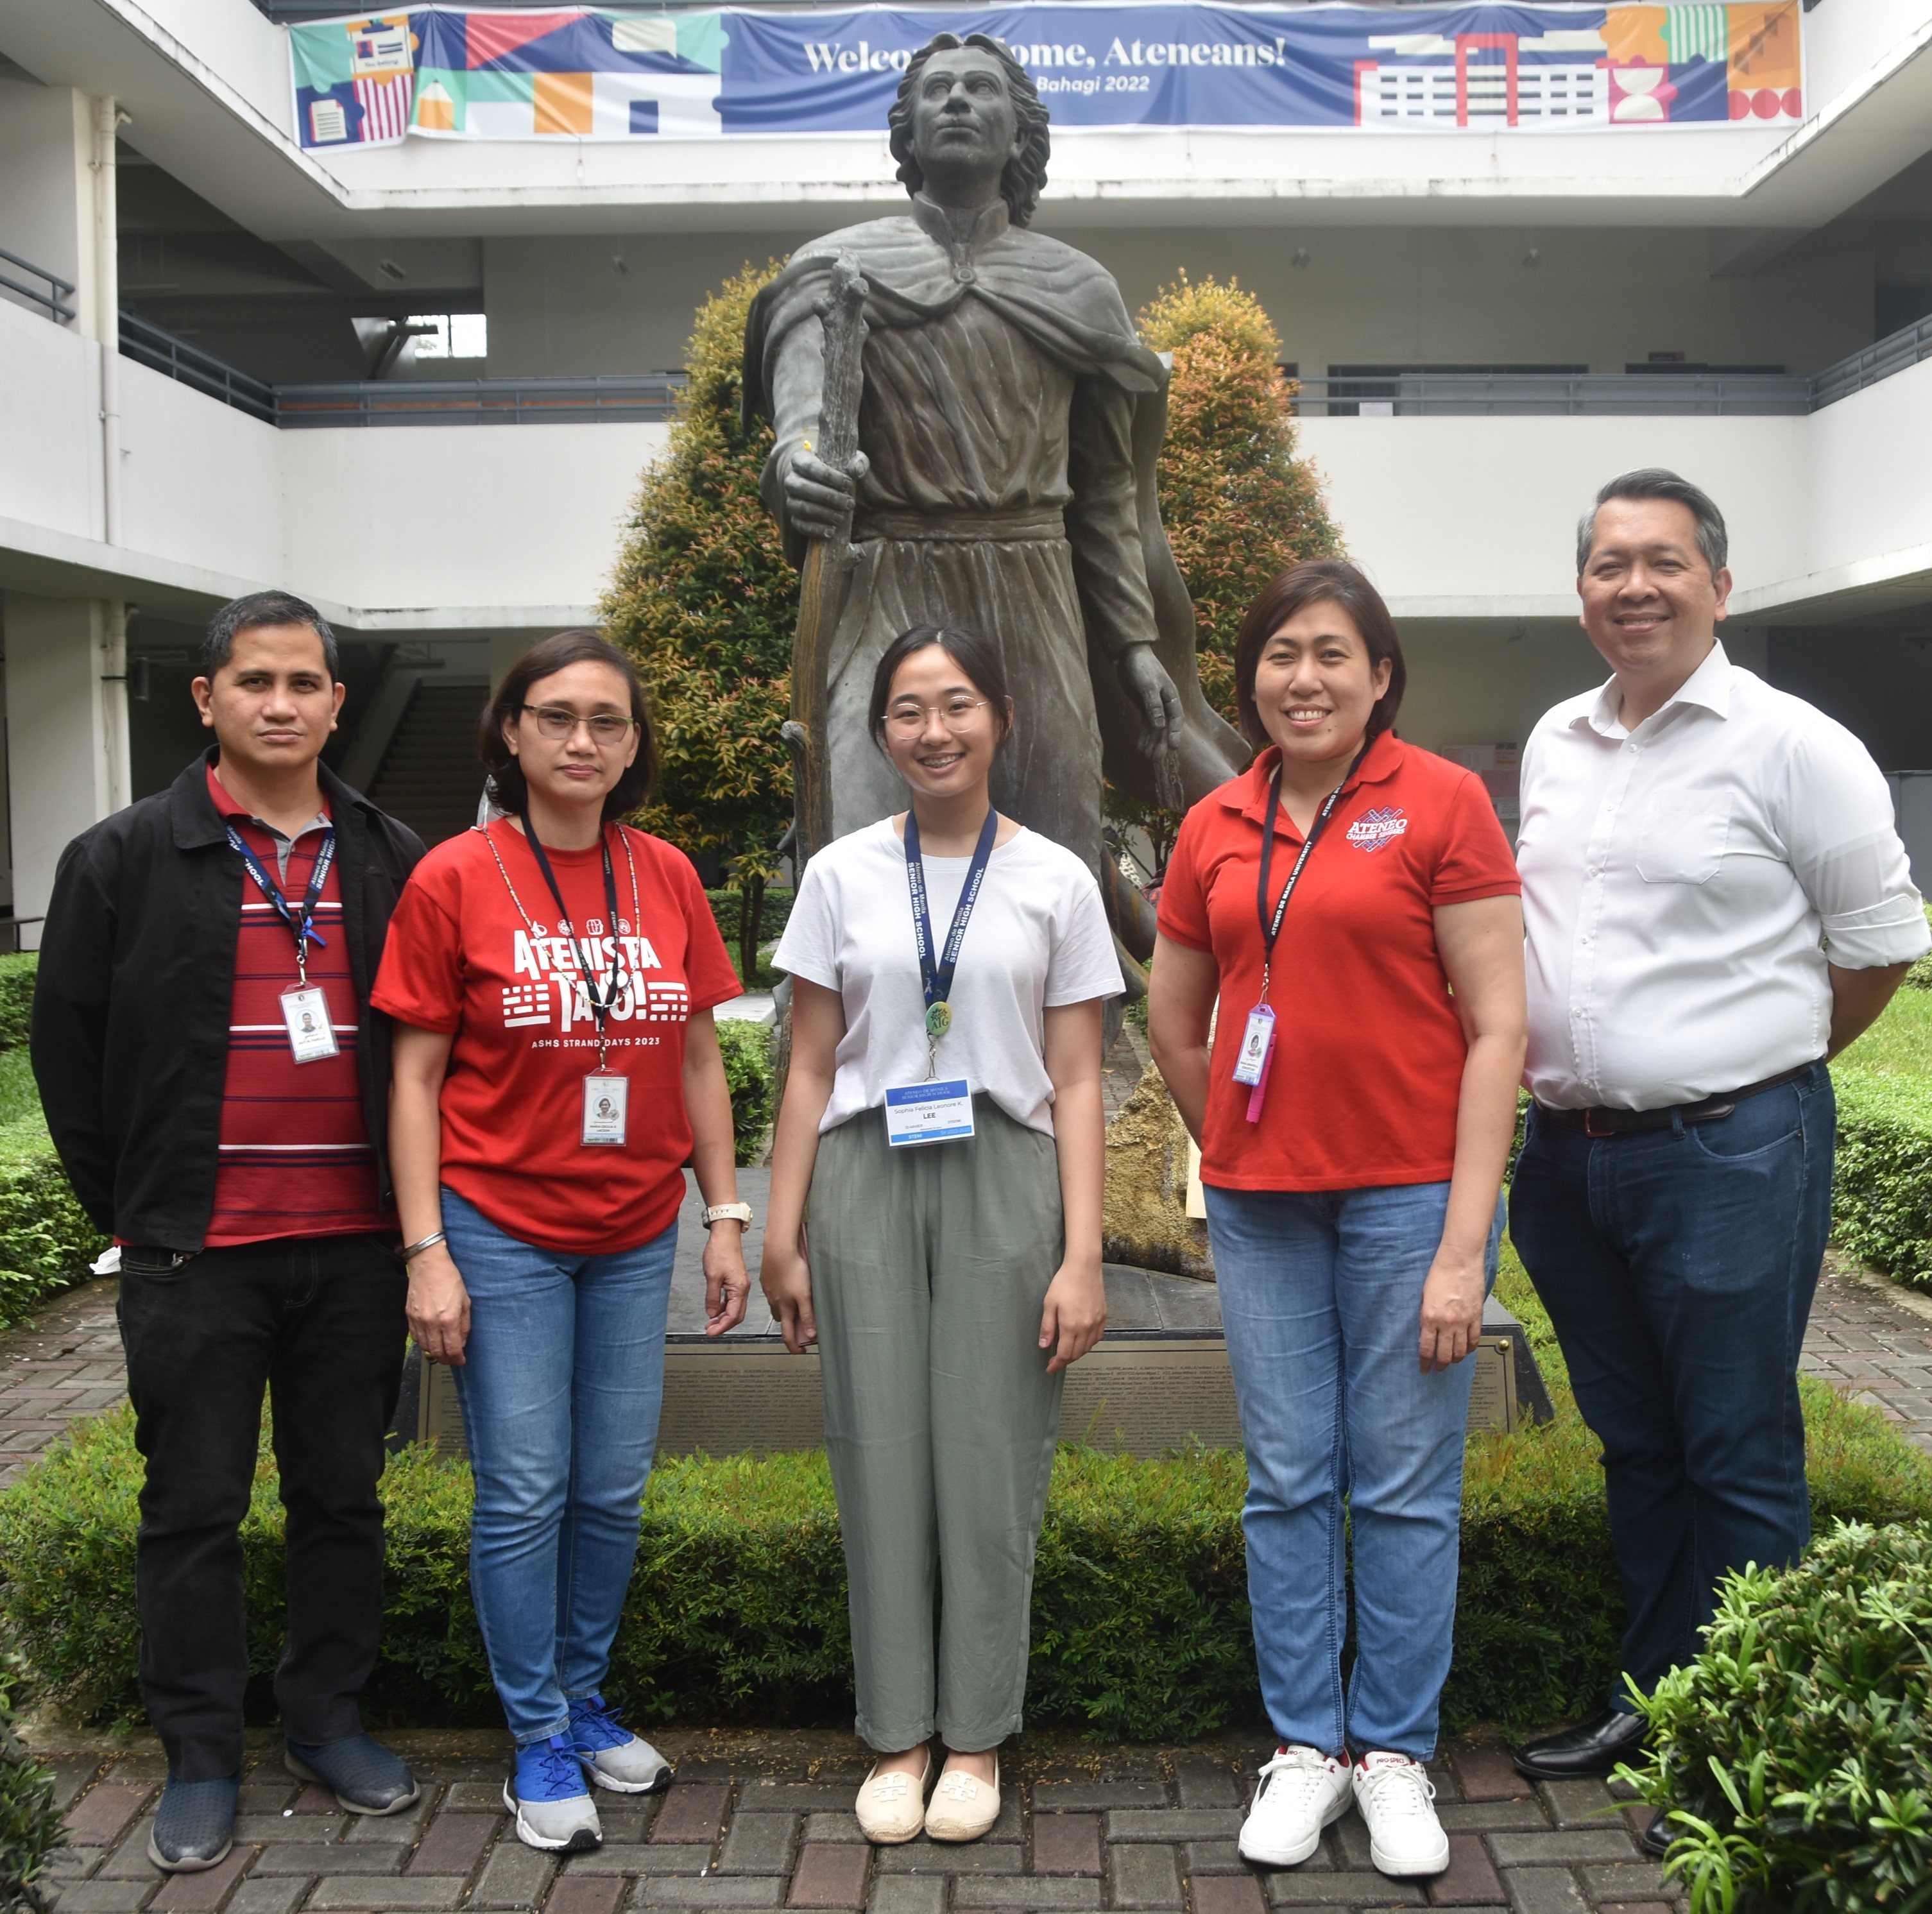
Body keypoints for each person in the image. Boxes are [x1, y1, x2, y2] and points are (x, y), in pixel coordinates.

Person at [1507, 470, 1930, 1848]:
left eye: (1663, 562)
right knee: (1638, 1444)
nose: (1634, 586)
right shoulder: (1556, 740)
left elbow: (1876, 948)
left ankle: (1737, 1737)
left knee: (1738, 1448)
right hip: (1568, 1162)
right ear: (1582, 590)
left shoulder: (1795, 745)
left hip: (1730, 1150)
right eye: (1608, 564)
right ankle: (1654, 1697)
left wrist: (1762, 1071)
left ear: (1720, 585)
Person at [33, 591, 425, 1872]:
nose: (280, 702)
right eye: (253, 680)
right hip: (198, 1256)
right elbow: (70, 1060)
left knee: (341, 1496)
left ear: (334, 702)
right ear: (206, 699)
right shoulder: (120, 859)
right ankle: (200, 1750)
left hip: (359, 1249)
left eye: (303, 682)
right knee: (189, 1508)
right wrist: (140, 1217)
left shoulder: (388, 855)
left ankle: (325, 1718)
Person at [1147, 561, 1526, 1883]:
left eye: (1331, 654)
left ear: (1378, 673)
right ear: (1248, 676)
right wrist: (1234, 1144)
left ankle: (1395, 1755)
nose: (1303, 677)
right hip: (1265, 1209)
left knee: (1408, 1485)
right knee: (1291, 1477)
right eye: (1278, 656)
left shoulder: (1443, 802)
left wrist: (1464, 1249)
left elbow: (1498, 1029)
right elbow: (1173, 1019)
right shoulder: (1214, 822)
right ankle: (1308, 1743)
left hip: (1410, 1197)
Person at [372, 630, 753, 1854]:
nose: (582, 740)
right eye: (557, 717)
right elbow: (415, 1077)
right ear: (512, 733)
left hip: (637, 1227)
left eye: (607, 720)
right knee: (526, 1489)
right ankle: (535, 1730)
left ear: (633, 743)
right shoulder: (456, 876)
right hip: (501, 1229)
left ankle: (584, 1701)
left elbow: (697, 1054)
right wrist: (427, 1247)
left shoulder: (668, 875)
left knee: (611, 1485)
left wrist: (725, 1215)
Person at [761, 623, 1120, 1845]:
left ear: (1001, 718)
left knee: (989, 1457)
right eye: (907, 710)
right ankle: (896, 1735)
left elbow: (1077, 1079)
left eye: (956, 704)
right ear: (881, 734)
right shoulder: (840, 874)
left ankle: (975, 1738)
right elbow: (811, 1064)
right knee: (878, 1457)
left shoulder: (1059, 879)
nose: (934, 730)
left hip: (1002, 1175)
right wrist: (780, 1226)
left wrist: (1083, 1252)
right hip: (865, 1171)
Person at [745, 32, 1245, 878]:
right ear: (907, 135)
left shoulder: (1077, 286)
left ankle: (1076, 1012)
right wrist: (799, 470)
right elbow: (800, 424)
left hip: (1036, 588)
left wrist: (1131, 642)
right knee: (862, 840)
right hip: (886, 585)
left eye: (981, 88)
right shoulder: (834, 269)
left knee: (1055, 847)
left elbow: (1104, 495)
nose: (957, 100)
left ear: (1019, 134)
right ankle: (844, 1008)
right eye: (936, 90)